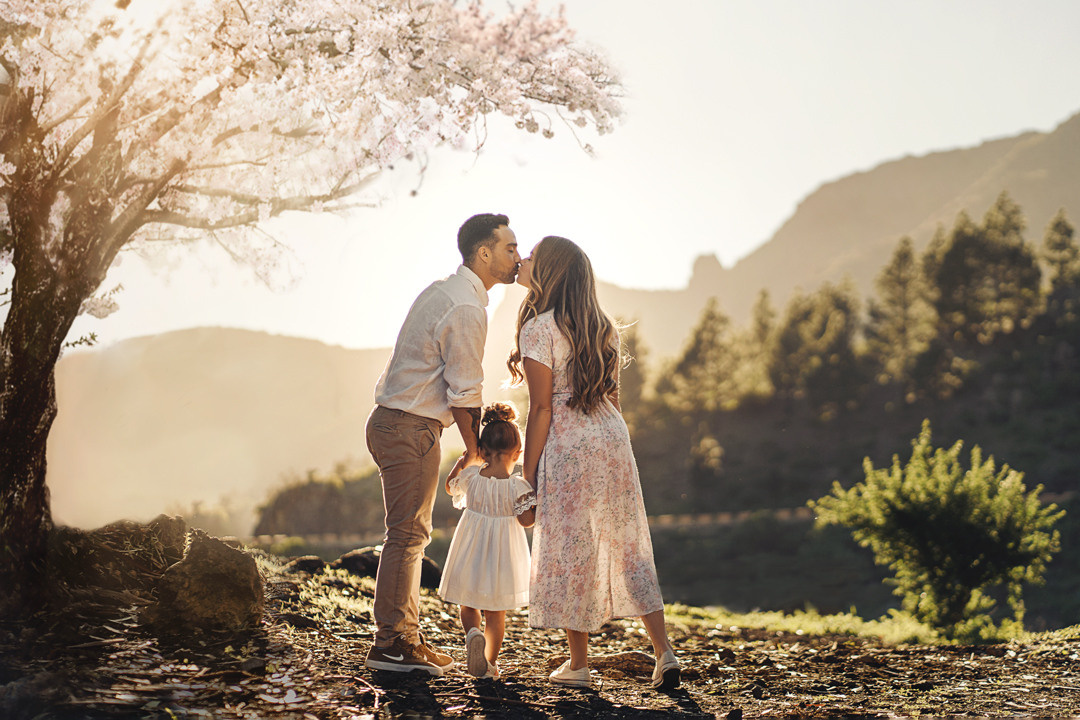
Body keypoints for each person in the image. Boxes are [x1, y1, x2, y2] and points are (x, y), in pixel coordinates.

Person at [508, 235, 681, 690]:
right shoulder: (603, 326)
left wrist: (527, 475)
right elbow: (613, 401)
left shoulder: (538, 328)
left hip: (568, 441)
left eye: (532, 257)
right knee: (629, 542)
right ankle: (664, 651)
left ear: (549, 272)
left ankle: (579, 665)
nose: (523, 260)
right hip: (611, 436)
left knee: (568, 546)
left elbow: (542, 408)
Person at [364, 214, 520, 675]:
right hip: (409, 427)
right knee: (408, 536)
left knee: (411, 535)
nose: (517, 256)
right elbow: (466, 390)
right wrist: (474, 453)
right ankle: (390, 644)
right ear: (484, 253)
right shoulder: (468, 308)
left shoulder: (443, 291)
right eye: (510, 248)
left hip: (396, 423)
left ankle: (406, 638)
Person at [437, 403, 536, 679]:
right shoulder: (518, 487)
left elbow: (449, 486)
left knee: (467, 603)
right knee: (496, 612)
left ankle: (472, 634)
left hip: (471, 547)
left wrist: (465, 459)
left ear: (481, 451)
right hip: (503, 554)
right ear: (518, 453)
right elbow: (526, 521)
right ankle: (489, 663)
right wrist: (535, 503)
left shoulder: (471, 477)